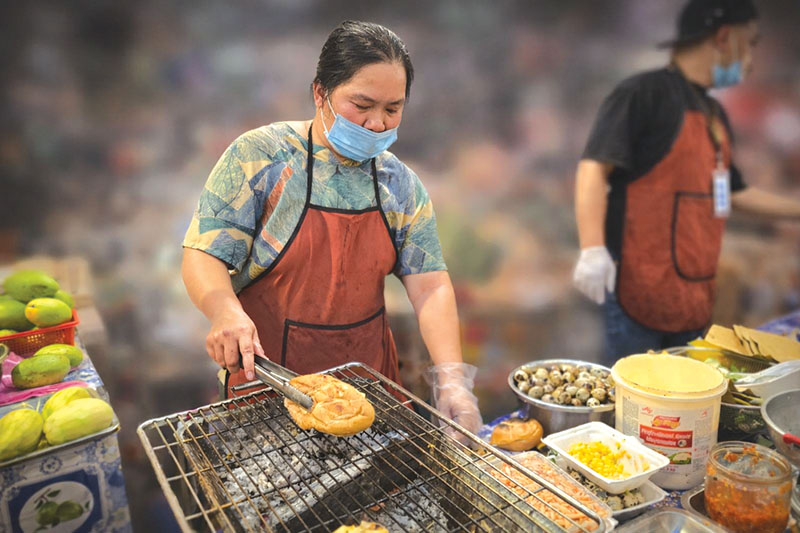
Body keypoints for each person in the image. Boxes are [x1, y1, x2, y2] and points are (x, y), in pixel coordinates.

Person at [181, 20, 481, 438]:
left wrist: (452, 380)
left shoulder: (398, 185)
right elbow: (203, 252)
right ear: (320, 93)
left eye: (392, 109)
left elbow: (430, 285)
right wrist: (224, 311)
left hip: (369, 391)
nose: (377, 123)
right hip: (268, 390)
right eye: (362, 104)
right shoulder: (261, 157)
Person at [572, 0, 800, 365]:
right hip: (637, 291)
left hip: (694, 295)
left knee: (686, 390)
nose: (751, 59)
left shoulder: (715, 113)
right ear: (724, 37)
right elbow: (594, 168)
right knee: (632, 389)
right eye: (749, 43)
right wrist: (592, 249)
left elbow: (734, 192)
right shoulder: (643, 94)